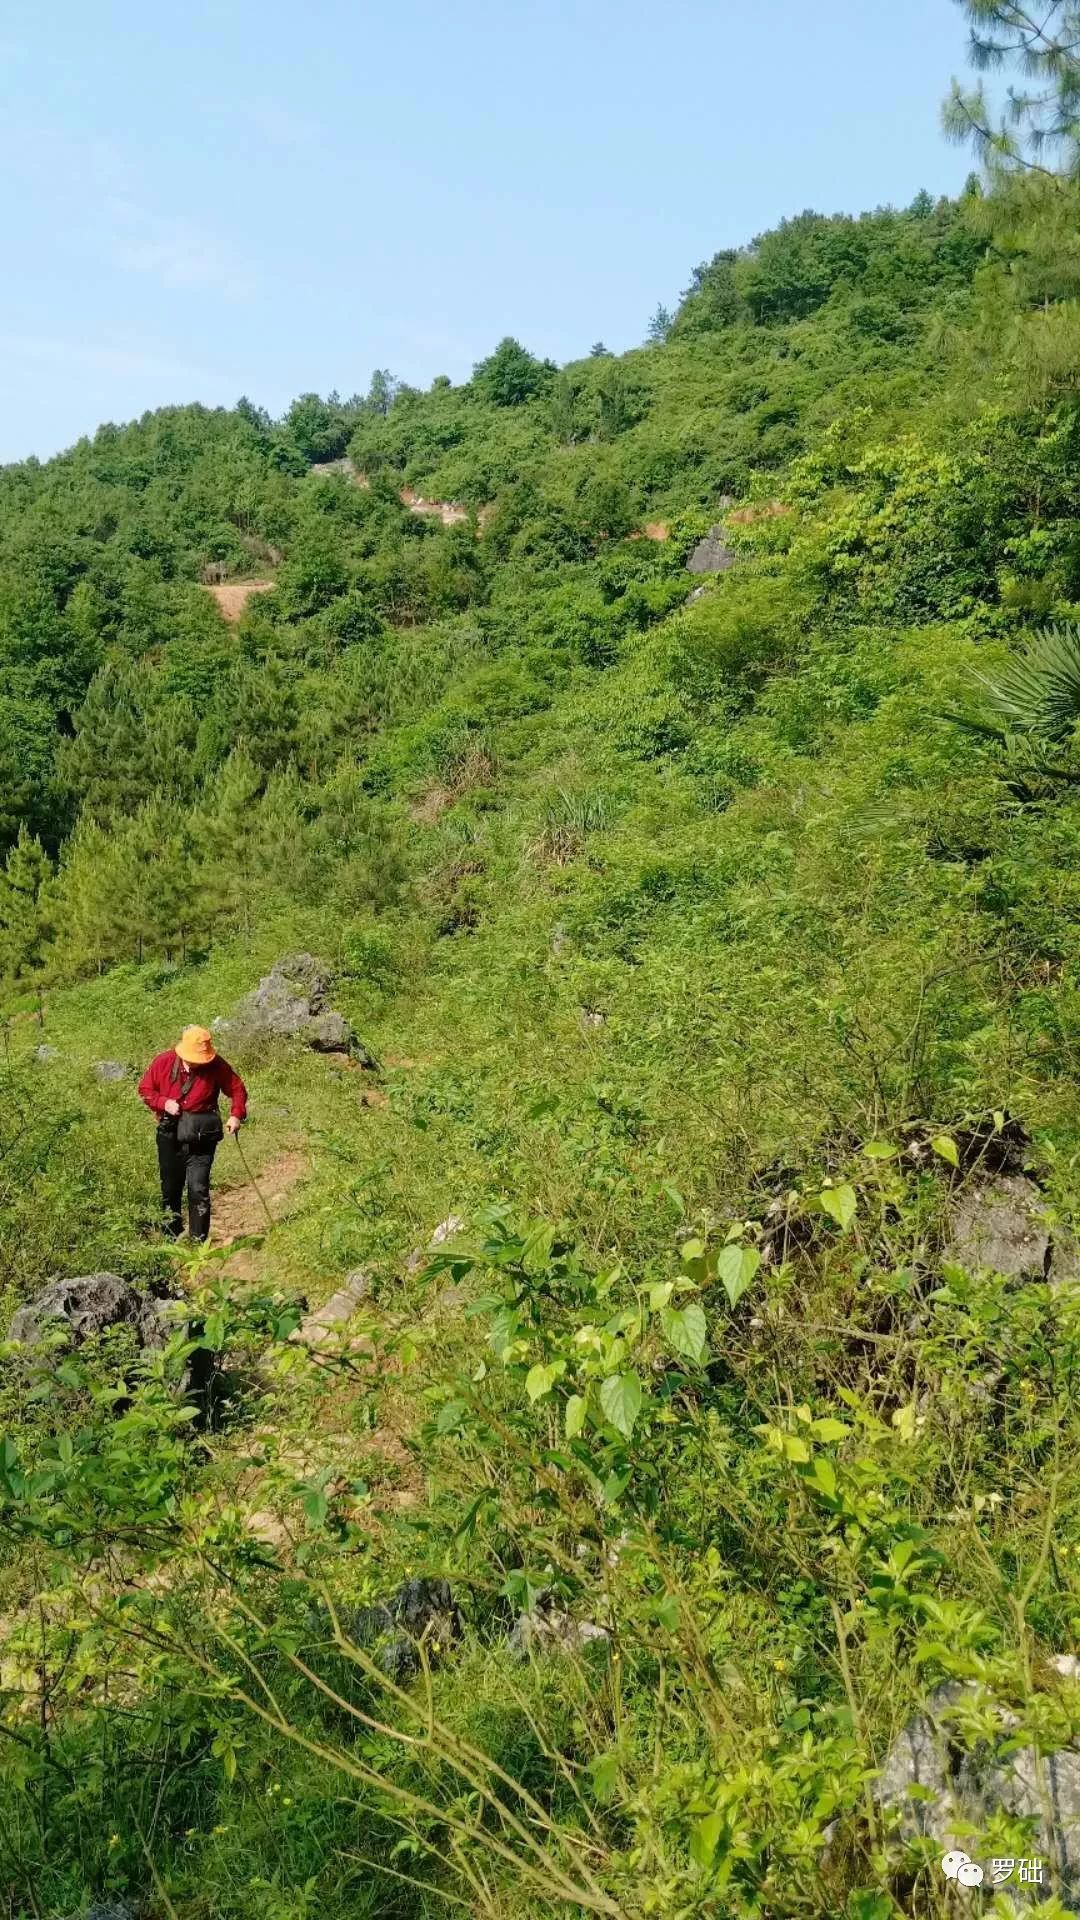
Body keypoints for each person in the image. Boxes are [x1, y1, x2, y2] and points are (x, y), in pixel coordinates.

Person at [138, 1026, 247, 1241]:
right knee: (171, 1187)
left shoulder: (216, 1065)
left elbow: (237, 1089)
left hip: (202, 1136)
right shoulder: (164, 1062)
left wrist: (236, 1115)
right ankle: (171, 1236)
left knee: (198, 1188)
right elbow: (145, 1090)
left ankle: (198, 1241)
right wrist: (164, 1103)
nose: (199, 1062)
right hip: (170, 1133)